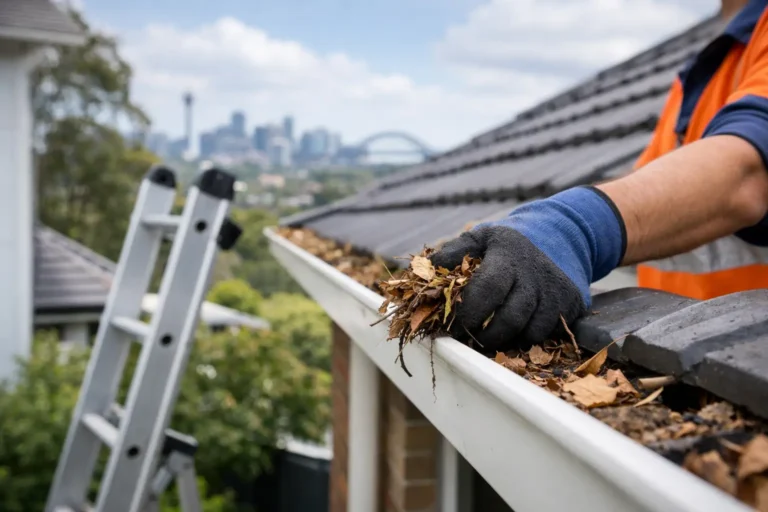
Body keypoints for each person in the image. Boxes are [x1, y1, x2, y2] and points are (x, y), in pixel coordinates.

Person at [429, 0, 768, 351]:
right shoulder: (718, 62)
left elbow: (746, 173)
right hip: (684, 352)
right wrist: (531, 221)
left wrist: (577, 226)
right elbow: (652, 189)